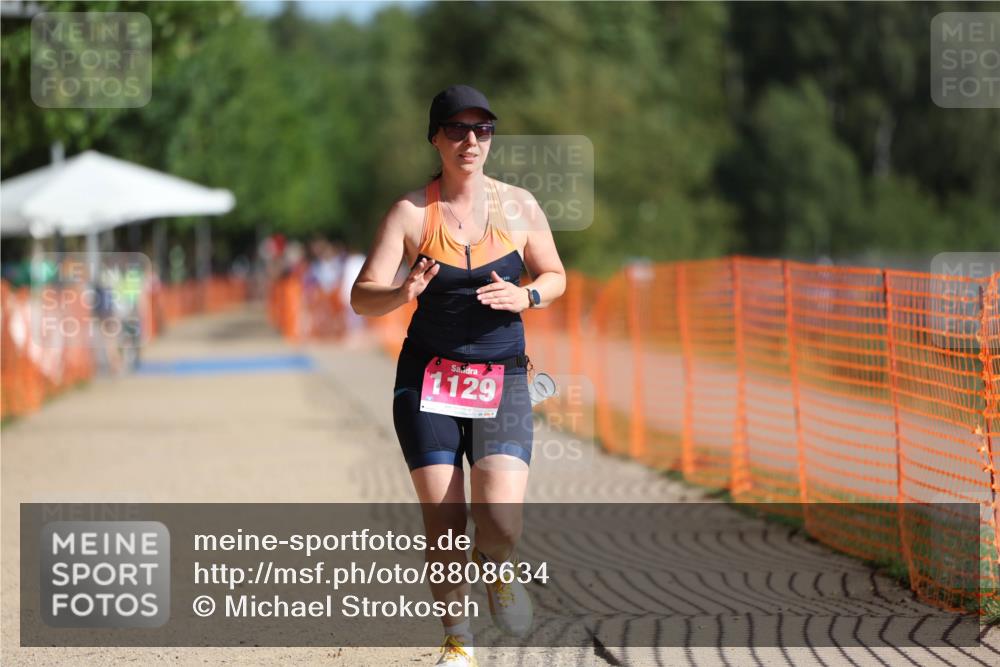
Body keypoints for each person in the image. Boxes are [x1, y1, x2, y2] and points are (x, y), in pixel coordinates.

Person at [351, 85, 566, 666]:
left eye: (483, 129)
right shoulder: (410, 214)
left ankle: (498, 571)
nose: (471, 140)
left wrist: (527, 297)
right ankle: (458, 639)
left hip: (503, 379)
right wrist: (403, 291)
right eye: (456, 129)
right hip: (428, 382)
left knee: (498, 517)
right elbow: (361, 298)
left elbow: (555, 275)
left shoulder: (519, 206)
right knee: (445, 522)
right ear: (435, 138)